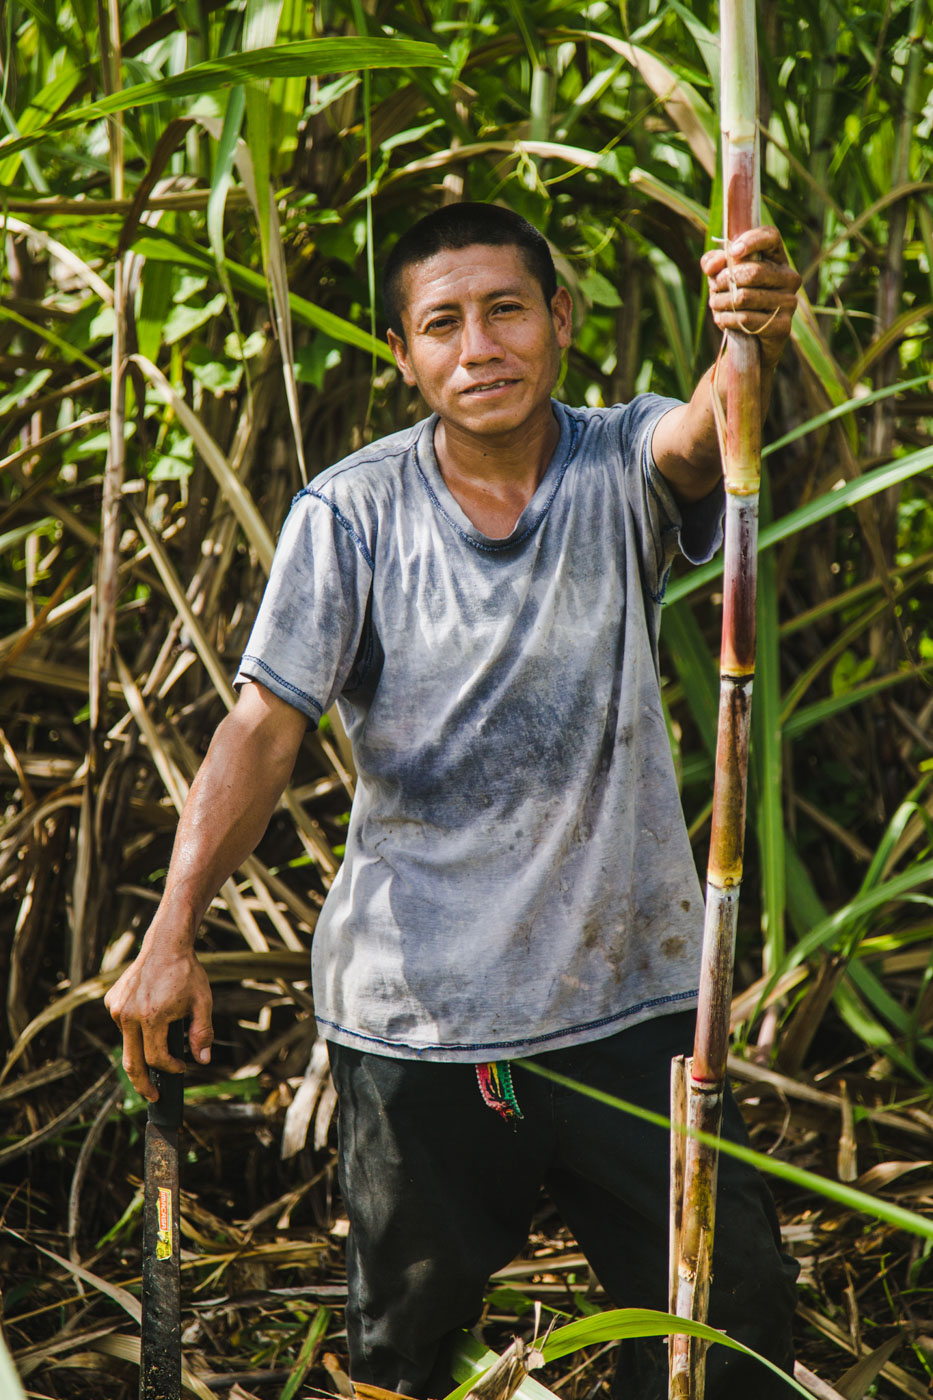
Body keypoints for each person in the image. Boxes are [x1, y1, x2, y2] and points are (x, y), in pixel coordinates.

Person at [106, 202, 802, 1399]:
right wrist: (172, 933)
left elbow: (708, 435)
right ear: (403, 353)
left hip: (626, 1006)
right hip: (421, 1026)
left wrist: (757, 329)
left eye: (506, 310)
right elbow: (264, 726)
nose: (479, 347)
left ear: (560, 321)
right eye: (443, 323)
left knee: (728, 1324)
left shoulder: (614, 461)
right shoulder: (354, 513)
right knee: (404, 1360)